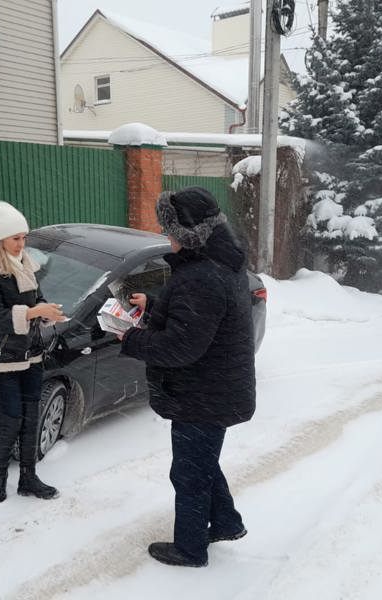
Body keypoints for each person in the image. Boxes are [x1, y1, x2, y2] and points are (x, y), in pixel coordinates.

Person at [120, 187, 256, 567]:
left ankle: (191, 549)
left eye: (169, 230)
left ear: (187, 234)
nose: (166, 237)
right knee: (202, 462)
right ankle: (226, 522)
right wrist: (155, 305)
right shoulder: (220, 263)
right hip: (215, 389)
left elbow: (180, 348)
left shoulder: (202, 277)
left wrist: (131, 338)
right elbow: (194, 321)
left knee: (189, 474)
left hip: (202, 395)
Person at [0, 201, 65, 503]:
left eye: (24, 237)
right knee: (12, 416)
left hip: (30, 351)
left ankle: (28, 478)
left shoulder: (23, 263)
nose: (22, 243)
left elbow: (36, 297)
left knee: (31, 415)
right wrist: (34, 312)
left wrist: (47, 312)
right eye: (15, 238)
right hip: (2, 355)